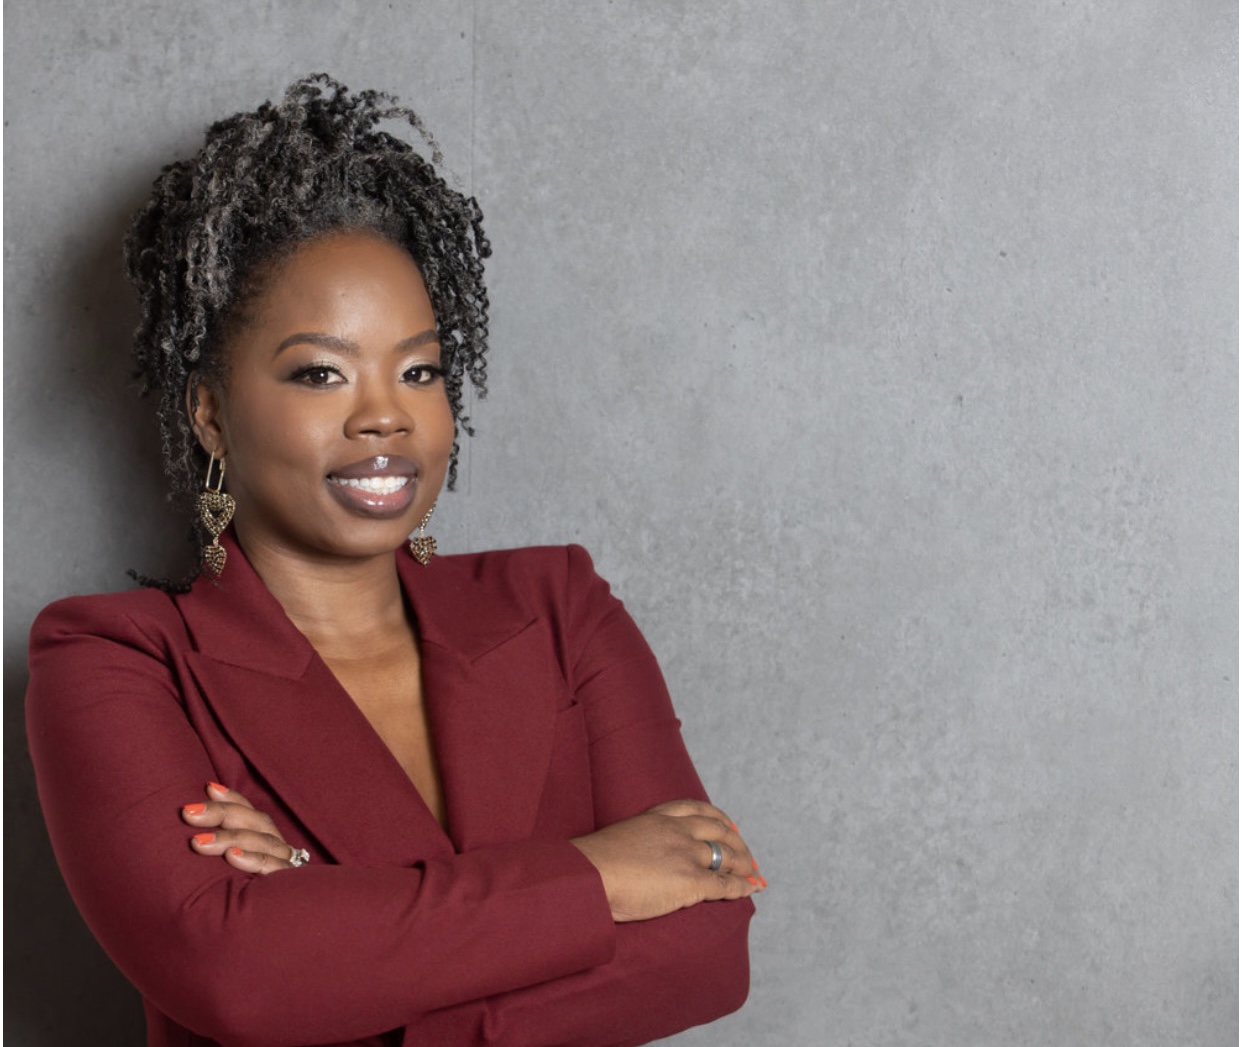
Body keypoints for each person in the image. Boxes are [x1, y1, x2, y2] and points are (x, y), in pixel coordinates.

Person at [25, 74, 761, 1047]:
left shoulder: (560, 609)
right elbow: (238, 977)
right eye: (321, 372)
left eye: (419, 370)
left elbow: (707, 953)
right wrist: (600, 876)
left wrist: (328, 914)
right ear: (209, 410)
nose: (385, 415)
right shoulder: (115, 663)